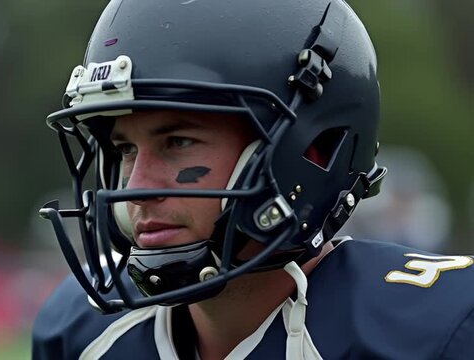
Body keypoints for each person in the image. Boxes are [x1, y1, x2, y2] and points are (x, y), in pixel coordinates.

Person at [32, 0, 474, 358]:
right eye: (126, 149)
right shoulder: (81, 330)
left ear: (310, 150)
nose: (134, 187)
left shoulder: (436, 331)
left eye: (179, 142)